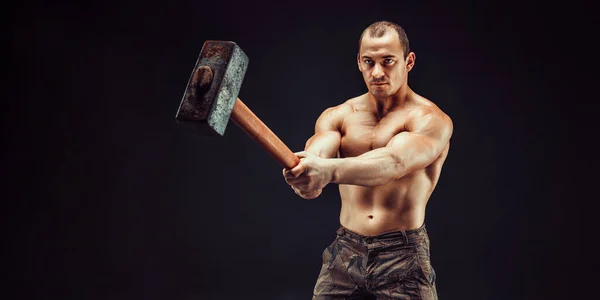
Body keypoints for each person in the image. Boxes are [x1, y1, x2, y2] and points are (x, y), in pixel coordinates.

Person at [282, 20, 453, 299]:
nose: (377, 72)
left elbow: (394, 161)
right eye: (368, 62)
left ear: (408, 62)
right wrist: (307, 174)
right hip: (346, 251)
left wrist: (326, 171)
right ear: (359, 63)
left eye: (387, 61)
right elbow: (319, 151)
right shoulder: (339, 115)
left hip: (403, 254)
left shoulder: (430, 119)